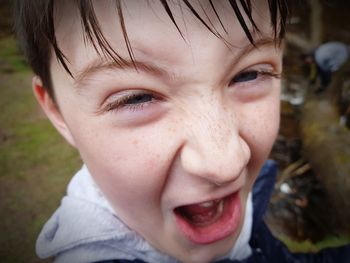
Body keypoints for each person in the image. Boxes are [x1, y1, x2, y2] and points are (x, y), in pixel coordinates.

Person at [14, 1, 350, 262]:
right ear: (58, 114)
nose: (226, 163)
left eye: (248, 74)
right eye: (137, 97)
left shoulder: (226, 206)